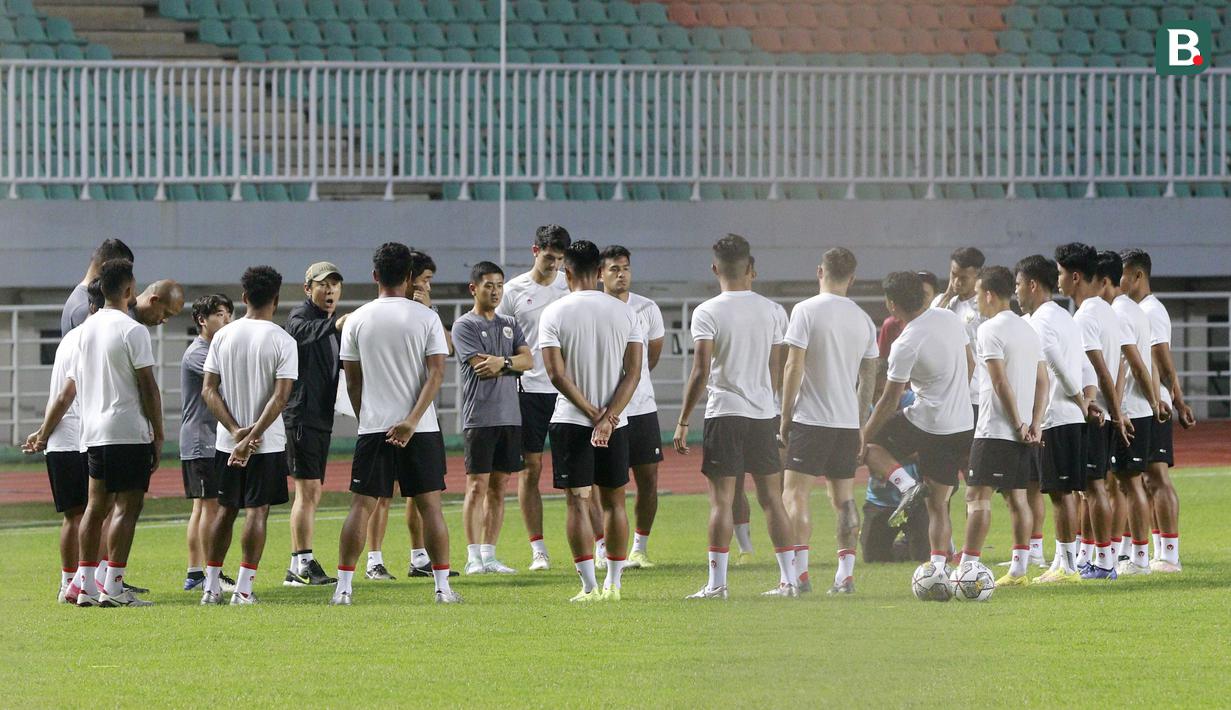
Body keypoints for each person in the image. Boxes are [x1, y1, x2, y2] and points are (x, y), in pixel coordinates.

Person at [331, 243, 457, 605]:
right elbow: (436, 374)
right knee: (430, 506)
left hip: (374, 427)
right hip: (421, 428)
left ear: (374, 276)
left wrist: (365, 416)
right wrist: (412, 421)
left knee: (361, 506)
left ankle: (343, 590)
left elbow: (352, 380)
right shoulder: (426, 317)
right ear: (408, 277)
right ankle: (442, 589)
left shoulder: (356, 319)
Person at [675, 234, 793, 600]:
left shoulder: (707, 311)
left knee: (722, 501)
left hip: (725, 412)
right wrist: (768, 404)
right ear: (750, 268)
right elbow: (777, 366)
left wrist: (682, 420)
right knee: (773, 499)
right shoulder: (773, 310)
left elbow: (700, 370)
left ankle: (717, 584)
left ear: (715, 268)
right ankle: (789, 581)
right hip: (762, 414)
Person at [539, 240, 643, 602]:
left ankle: (588, 586)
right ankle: (614, 583)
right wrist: (609, 416)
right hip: (617, 423)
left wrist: (591, 412)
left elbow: (556, 374)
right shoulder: (625, 312)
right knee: (616, 502)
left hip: (571, 420)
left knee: (577, 503)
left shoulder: (554, 313)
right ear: (600, 272)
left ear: (566, 272)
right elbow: (634, 373)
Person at [861, 271, 974, 582]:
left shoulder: (905, 343)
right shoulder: (949, 319)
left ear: (891, 304)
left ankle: (907, 486)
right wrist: (955, 395)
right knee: (948, 502)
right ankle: (946, 566)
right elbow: (971, 362)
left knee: (871, 448)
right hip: (963, 423)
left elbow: (888, 402)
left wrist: (861, 437)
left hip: (929, 424)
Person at [779, 248, 879, 595]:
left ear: (819, 271)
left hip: (811, 420)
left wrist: (785, 415)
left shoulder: (805, 311)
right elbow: (869, 379)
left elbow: (794, 367)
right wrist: (861, 424)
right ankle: (845, 576)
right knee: (844, 499)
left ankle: (799, 577)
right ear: (852, 278)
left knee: (795, 495)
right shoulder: (865, 320)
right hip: (846, 424)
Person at [67, 258, 163, 607]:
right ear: (128, 289)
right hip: (125, 428)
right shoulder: (132, 329)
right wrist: (158, 433)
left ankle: (87, 587)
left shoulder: (85, 330)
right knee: (128, 506)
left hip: (92, 430)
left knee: (95, 507)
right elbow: (148, 386)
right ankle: (115, 585)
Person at [199, 266, 298, 605]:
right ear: (276, 299)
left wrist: (234, 431)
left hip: (228, 441)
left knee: (224, 510)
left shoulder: (222, 336)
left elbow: (209, 390)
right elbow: (281, 397)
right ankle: (243, 589)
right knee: (257, 511)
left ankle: (210, 587)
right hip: (266, 443)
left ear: (243, 298)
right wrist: (253, 436)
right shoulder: (283, 339)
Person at [957, 266, 1048, 588]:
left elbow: (999, 382)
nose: (977, 302)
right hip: (1023, 431)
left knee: (976, 495)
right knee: (1017, 497)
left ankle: (966, 567)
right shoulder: (1027, 330)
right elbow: (1043, 381)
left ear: (989, 294)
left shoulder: (989, 330)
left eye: (979, 295)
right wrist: (1034, 424)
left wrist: (1018, 423)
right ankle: (1020, 569)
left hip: (996, 429)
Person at [1014, 255, 1099, 584]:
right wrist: (1088, 400)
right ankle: (1066, 562)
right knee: (1064, 492)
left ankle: (1065, 566)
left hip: (1057, 416)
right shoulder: (1065, 317)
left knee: (1060, 494)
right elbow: (1085, 365)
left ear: (1033, 285)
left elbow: (1059, 365)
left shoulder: (1040, 322)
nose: (1017, 291)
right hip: (1070, 416)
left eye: (1019, 284)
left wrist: (1080, 400)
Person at [23, 279, 104, 602]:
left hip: (63, 437)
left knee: (77, 515)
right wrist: (43, 432)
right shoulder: (87, 338)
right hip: (75, 437)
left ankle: (70, 581)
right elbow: (67, 393)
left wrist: (44, 431)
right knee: (91, 513)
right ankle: (84, 582)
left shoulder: (69, 338)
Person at [497, 225, 572, 570]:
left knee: (580, 469)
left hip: (568, 390)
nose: (554, 264)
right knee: (531, 467)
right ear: (535, 251)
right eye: (549, 257)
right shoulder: (513, 291)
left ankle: (599, 544)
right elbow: (502, 341)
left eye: (559, 258)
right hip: (529, 389)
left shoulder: (568, 286)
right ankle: (538, 549)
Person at [452, 261, 533, 575]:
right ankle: (472, 555)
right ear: (474, 288)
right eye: (488, 285)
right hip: (480, 417)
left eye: (499, 285)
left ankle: (489, 554)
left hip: (510, 416)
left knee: (500, 487)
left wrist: (504, 361)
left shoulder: (510, 322)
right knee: (476, 487)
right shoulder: (465, 325)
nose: (495, 291)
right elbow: (480, 367)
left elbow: (529, 360)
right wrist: (508, 362)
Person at [1055, 242, 1130, 580]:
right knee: (1090, 487)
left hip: (1095, 414)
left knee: (1094, 487)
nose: (1057, 281)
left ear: (1074, 276)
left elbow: (1099, 370)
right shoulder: (1105, 310)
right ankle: (1093, 557)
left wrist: (1110, 410)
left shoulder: (1085, 315)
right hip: (1105, 411)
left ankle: (1104, 562)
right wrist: (1120, 411)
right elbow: (1117, 369)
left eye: (1059, 274)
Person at [1120, 248, 1191, 572]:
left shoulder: (1152, 310)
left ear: (1138, 275)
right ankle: (1159, 551)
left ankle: (1170, 555)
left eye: (1123, 274)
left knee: (1157, 478)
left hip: (1154, 404)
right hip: (1145, 402)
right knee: (1146, 481)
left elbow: (1162, 359)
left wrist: (1176, 400)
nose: (1119, 282)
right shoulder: (1138, 310)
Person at [1099, 250, 1166, 577]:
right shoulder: (1131, 310)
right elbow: (1143, 362)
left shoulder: (1121, 313)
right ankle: (1128, 552)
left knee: (1131, 484)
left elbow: (1137, 365)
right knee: (1123, 484)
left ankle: (1139, 558)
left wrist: (1153, 403)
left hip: (1130, 410)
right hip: (1134, 408)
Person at [600, 245, 667, 569]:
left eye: (625, 268)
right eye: (613, 268)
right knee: (607, 482)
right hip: (603, 410)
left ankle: (639, 546)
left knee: (648, 479)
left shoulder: (647, 308)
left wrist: (631, 385)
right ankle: (604, 546)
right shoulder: (594, 308)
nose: (621, 274)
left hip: (641, 408)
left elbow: (650, 358)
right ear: (600, 273)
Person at [282, 262, 346, 588]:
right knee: (307, 492)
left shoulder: (328, 323)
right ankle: (304, 562)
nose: (330, 290)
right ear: (308, 289)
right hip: (302, 417)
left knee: (311, 492)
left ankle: (296, 566)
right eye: (323, 285)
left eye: (335, 285)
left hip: (320, 417)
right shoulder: (301, 317)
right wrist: (334, 327)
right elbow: (298, 333)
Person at [180, 294, 237, 594]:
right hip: (202, 440)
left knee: (203, 508)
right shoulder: (199, 353)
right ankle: (206, 574)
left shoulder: (215, 349)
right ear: (202, 320)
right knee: (209, 508)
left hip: (206, 439)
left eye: (228, 313)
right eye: (219, 314)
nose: (226, 319)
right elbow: (224, 382)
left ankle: (196, 572)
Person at [61, 239, 134, 336]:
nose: (125, 279)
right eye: (121, 271)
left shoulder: (88, 299)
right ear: (105, 267)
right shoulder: (84, 307)